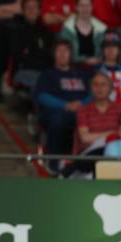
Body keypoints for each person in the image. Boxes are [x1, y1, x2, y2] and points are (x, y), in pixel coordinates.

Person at [35, 40, 89, 170]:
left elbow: (93, 93)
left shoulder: (82, 74)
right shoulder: (48, 74)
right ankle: (54, 162)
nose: (62, 54)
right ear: (54, 54)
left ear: (71, 54)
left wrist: (81, 103)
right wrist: (65, 105)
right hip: (56, 111)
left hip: (82, 110)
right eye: (59, 51)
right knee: (59, 120)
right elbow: (41, 95)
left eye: (66, 51)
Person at [58, 0, 107, 67]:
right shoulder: (67, 29)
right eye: (81, 5)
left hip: (97, 68)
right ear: (76, 7)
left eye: (88, 5)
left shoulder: (101, 29)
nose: (85, 9)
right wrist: (84, 60)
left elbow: (105, 53)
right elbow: (64, 54)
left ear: (92, 7)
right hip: (73, 68)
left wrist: (98, 59)